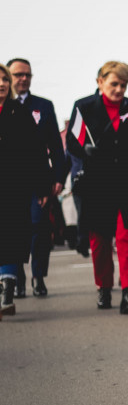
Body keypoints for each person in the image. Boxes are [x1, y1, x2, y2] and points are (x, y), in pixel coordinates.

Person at [65, 62, 128, 313]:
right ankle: (104, 288)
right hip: (97, 184)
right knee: (100, 240)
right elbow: (72, 141)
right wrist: (84, 150)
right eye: (114, 84)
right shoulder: (84, 107)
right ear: (100, 82)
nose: (119, 89)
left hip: (127, 183)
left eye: (123, 85)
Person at [8, 58, 66, 298]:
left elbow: (54, 144)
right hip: (10, 181)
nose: (23, 79)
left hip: (38, 180)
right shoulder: (5, 106)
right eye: (18, 74)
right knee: (13, 230)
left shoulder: (43, 105)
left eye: (28, 75)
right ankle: (17, 279)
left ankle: (38, 276)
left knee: (38, 228)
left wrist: (59, 177)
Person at [0, 63, 51, 319]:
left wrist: (43, 185)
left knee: (10, 236)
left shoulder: (18, 112)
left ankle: (7, 289)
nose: (1, 84)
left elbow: (37, 151)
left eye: (4, 80)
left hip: (14, 186)